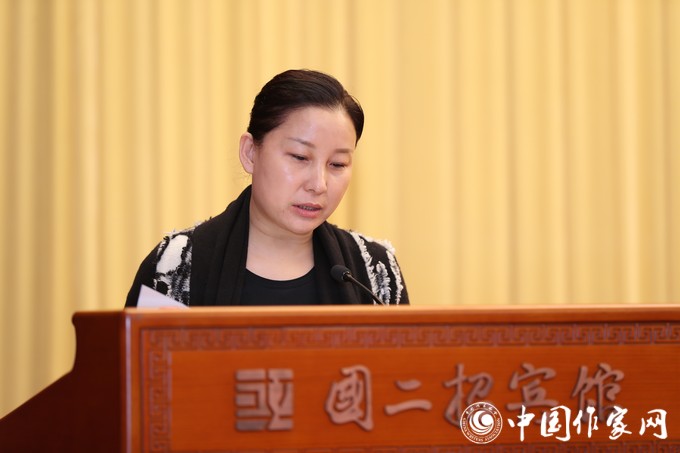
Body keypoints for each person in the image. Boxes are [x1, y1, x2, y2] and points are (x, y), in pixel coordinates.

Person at [125, 69, 408, 307]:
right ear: (250, 153)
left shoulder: (374, 272)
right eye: (300, 157)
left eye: (337, 164)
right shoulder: (175, 268)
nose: (318, 185)